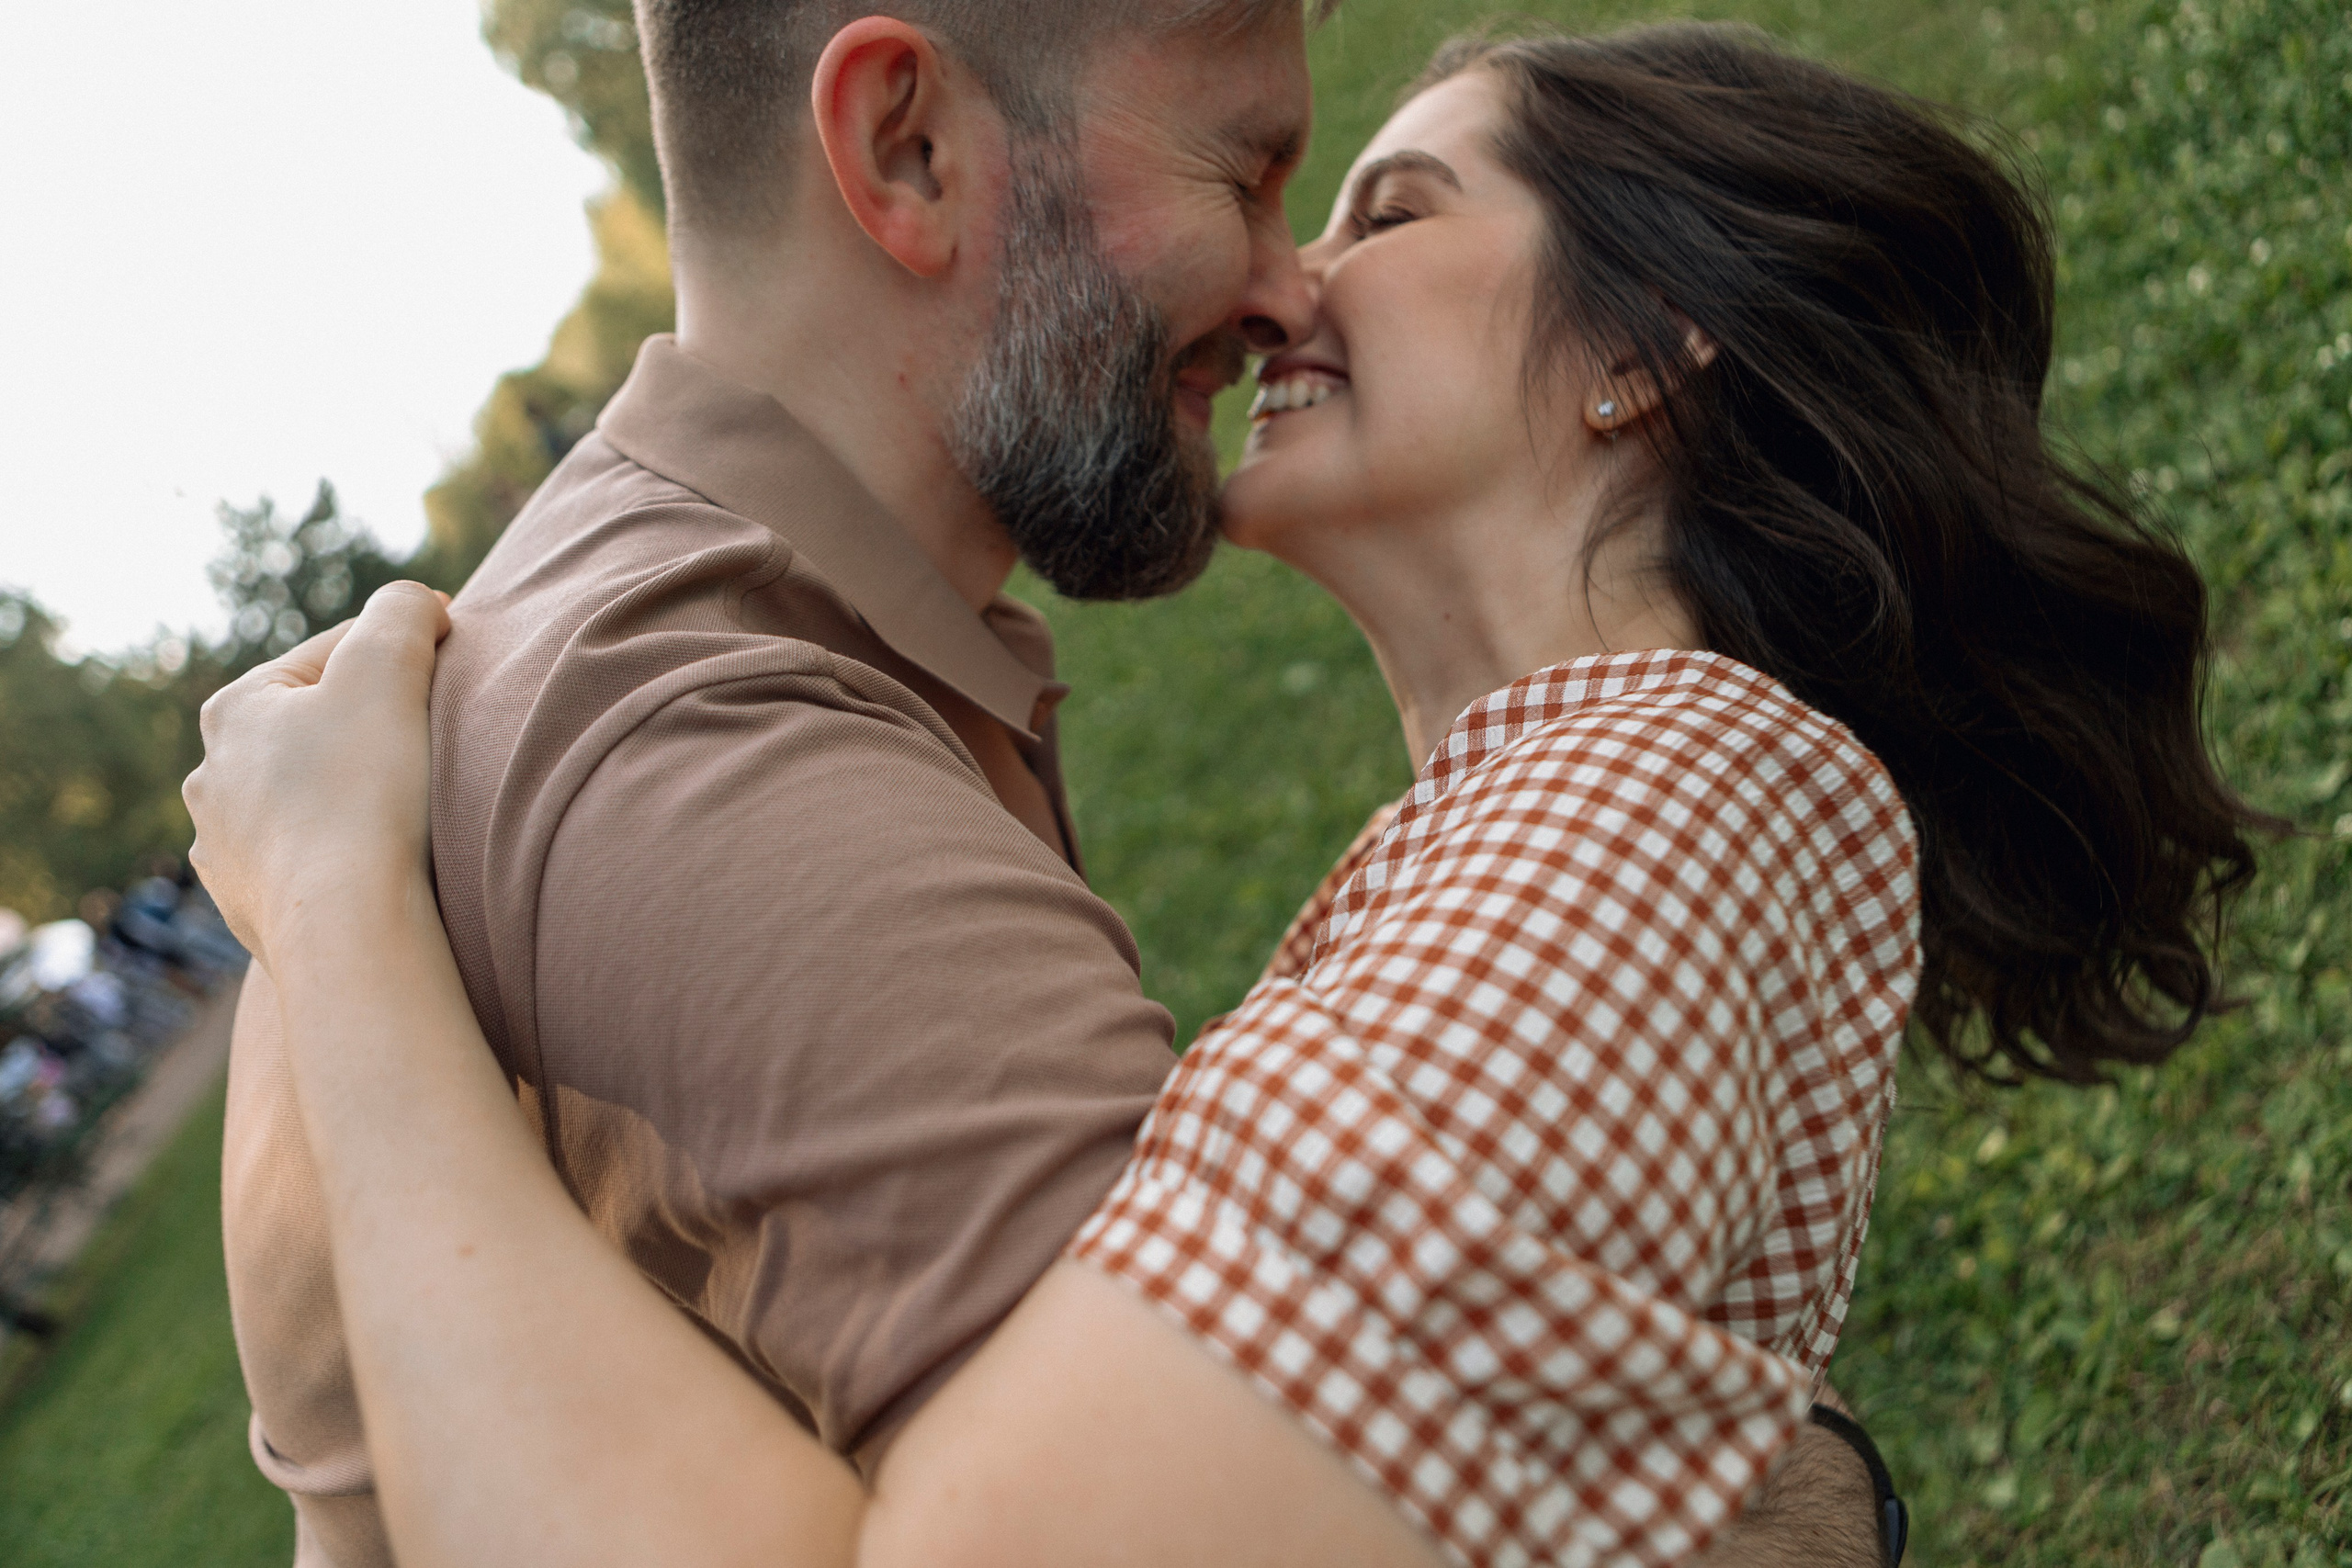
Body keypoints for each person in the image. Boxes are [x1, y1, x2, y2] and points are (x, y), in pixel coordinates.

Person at [194, 17, 2267, 1568]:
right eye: (1266, 173)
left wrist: (334, 916)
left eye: (1375, 203)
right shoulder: (712, 737)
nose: (1285, 285)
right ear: (900, 144)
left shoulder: (1649, 793)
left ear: (1645, 350)